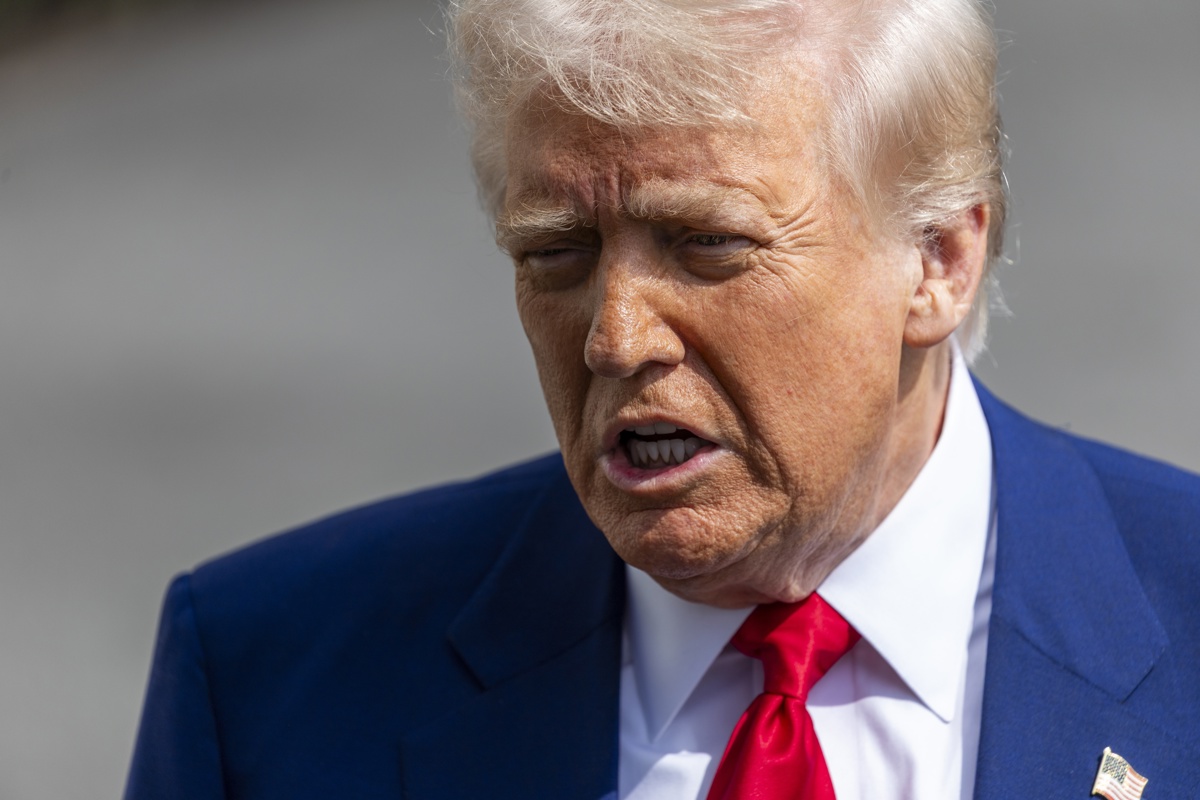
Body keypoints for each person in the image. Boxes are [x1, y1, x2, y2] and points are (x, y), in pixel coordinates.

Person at [124, 0, 1200, 798]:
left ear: (938, 258)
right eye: (556, 252)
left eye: (707, 244)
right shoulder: (272, 683)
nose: (615, 336)